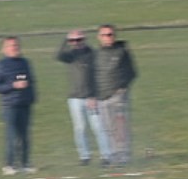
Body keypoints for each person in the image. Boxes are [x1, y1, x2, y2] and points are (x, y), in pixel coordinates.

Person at [56, 29, 112, 165]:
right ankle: (84, 156)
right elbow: (58, 55)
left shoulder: (93, 54)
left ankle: (106, 155)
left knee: (98, 127)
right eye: (73, 41)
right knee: (79, 128)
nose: (76, 43)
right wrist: (66, 39)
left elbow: (97, 77)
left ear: (84, 40)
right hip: (74, 98)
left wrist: (93, 95)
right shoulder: (70, 55)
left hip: (91, 98)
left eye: (79, 40)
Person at [94, 23, 139, 165]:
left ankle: (123, 155)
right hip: (102, 96)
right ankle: (114, 154)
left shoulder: (122, 51)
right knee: (108, 128)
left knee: (120, 127)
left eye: (110, 34)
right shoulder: (96, 55)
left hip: (118, 95)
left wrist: (122, 88)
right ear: (99, 37)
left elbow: (132, 72)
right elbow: (93, 75)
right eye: (104, 35)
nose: (107, 37)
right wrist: (93, 95)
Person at [0, 36, 37, 174]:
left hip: (25, 104)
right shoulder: (1, 65)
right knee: (11, 136)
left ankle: (25, 164)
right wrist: (13, 85)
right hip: (10, 105)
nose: (15, 48)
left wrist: (32, 97)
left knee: (24, 136)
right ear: (4, 49)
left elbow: (32, 81)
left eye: (16, 45)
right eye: (11, 45)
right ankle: (9, 165)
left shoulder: (25, 63)